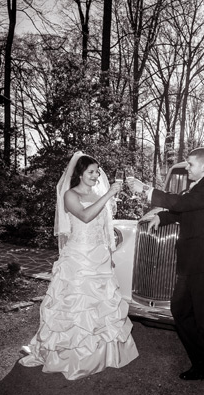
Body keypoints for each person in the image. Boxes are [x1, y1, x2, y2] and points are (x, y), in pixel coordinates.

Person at [19, 151, 139, 380]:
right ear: (80, 174)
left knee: (102, 306)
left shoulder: (98, 193)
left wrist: (109, 252)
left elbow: (104, 226)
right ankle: (70, 355)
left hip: (99, 258)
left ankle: (104, 354)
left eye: (97, 172)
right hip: (78, 257)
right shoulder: (70, 195)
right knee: (75, 305)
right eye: (91, 172)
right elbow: (84, 216)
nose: (96, 176)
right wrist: (109, 195)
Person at [127, 147, 204, 380]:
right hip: (190, 264)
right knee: (180, 310)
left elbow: (180, 204)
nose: (187, 168)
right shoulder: (197, 189)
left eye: (191, 164)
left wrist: (145, 189)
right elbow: (183, 210)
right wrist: (160, 217)